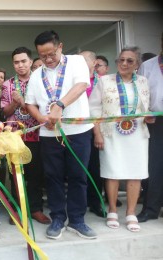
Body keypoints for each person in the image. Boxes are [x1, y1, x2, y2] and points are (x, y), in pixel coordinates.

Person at [25, 30, 96, 240]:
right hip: (49, 134)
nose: (47, 59)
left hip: (78, 132)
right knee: (53, 177)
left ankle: (77, 220)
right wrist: (39, 117)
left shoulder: (76, 62)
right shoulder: (36, 74)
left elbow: (82, 85)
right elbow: (30, 102)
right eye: (42, 55)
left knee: (78, 176)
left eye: (51, 54)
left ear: (60, 47)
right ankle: (57, 218)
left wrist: (60, 105)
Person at [89, 46, 151, 232]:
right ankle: (113, 210)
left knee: (135, 172)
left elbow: (145, 107)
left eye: (129, 61)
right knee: (112, 171)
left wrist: (148, 116)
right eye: (121, 60)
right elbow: (94, 109)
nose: (124, 64)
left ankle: (131, 213)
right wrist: (97, 133)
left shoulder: (143, 81)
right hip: (111, 134)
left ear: (137, 64)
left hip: (137, 134)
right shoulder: (104, 81)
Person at [1, 47, 50, 225]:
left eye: (23, 61)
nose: (20, 65)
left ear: (30, 62)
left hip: (37, 135)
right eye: (16, 62)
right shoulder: (7, 85)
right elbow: (4, 112)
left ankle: (36, 209)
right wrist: (15, 102)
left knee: (36, 175)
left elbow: (45, 108)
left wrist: (25, 103)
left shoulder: (41, 81)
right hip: (15, 137)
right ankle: (17, 210)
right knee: (16, 176)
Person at [137, 35, 163, 223]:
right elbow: (141, 92)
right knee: (154, 167)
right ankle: (151, 208)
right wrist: (144, 112)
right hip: (156, 121)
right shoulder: (149, 65)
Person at [79, 50, 104, 218]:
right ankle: (80, 204)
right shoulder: (75, 81)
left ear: (93, 63)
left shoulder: (102, 82)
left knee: (95, 167)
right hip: (77, 129)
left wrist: (98, 132)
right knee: (79, 169)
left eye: (83, 60)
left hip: (98, 129)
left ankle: (96, 202)